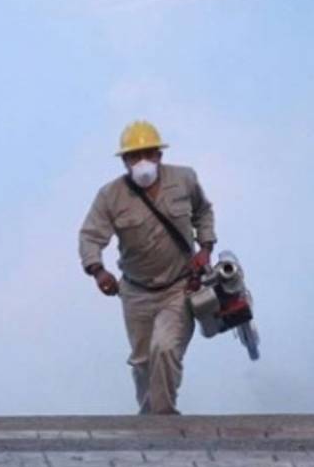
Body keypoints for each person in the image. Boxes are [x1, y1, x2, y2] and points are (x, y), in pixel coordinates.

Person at [78, 121, 217, 415]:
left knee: (165, 349)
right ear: (125, 161)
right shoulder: (110, 196)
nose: (142, 161)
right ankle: (149, 419)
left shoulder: (184, 179)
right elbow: (90, 235)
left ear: (159, 155)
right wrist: (97, 270)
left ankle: (163, 417)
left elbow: (203, 212)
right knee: (143, 362)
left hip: (179, 286)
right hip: (136, 292)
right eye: (134, 156)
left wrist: (205, 248)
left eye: (148, 153)